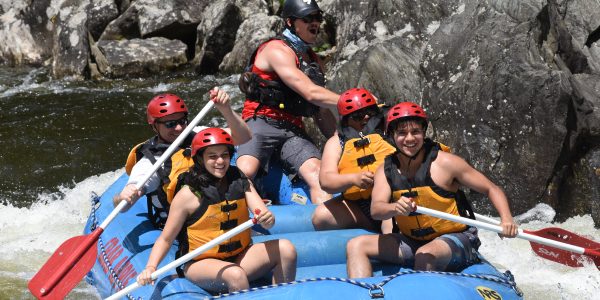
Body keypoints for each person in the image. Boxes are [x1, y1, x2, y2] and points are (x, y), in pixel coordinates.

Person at [346, 102, 519, 278]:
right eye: (402, 133)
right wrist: (395, 207)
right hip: (412, 241)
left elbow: (491, 189)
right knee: (356, 245)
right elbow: (376, 210)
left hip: (456, 239)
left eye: (415, 132)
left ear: (424, 132)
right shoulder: (385, 170)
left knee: (424, 255)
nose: (409, 139)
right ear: (391, 135)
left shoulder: (446, 163)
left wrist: (506, 219)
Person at [136, 128, 297, 293]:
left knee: (286, 249)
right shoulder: (188, 195)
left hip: (240, 255)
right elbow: (165, 239)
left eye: (224, 155)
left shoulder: (239, 180)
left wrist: (267, 219)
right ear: (200, 159)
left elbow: (265, 218)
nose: (220, 161)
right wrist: (150, 267)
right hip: (200, 264)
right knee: (235, 275)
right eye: (212, 156)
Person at [236, 0, 339, 204]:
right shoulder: (276, 50)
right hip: (260, 121)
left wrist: (339, 138)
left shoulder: (313, 60)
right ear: (291, 23)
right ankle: (254, 205)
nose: (315, 23)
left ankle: (326, 225)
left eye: (317, 18)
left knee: (317, 174)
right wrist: (351, 101)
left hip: (292, 128)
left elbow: (318, 109)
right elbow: (310, 93)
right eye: (308, 18)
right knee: (246, 169)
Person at [114, 88, 251, 228]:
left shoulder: (198, 133)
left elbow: (244, 137)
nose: (179, 128)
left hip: (222, 211)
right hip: (187, 228)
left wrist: (225, 109)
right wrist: (122, 197)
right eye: (170, 124)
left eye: (182, 121)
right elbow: (124, 206)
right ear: (155, 127)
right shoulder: (151, 163)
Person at [312, 88, 396, 233]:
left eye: (370, 112)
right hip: (360, 205)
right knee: (321, 217)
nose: (366, 118)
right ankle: (370, 231)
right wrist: (354, 179)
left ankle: (390, 241)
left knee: (388, 219)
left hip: (393, 199)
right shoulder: (337, 143)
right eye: (358, 116)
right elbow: (326, 181)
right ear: (346, 120)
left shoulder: (391, 129)